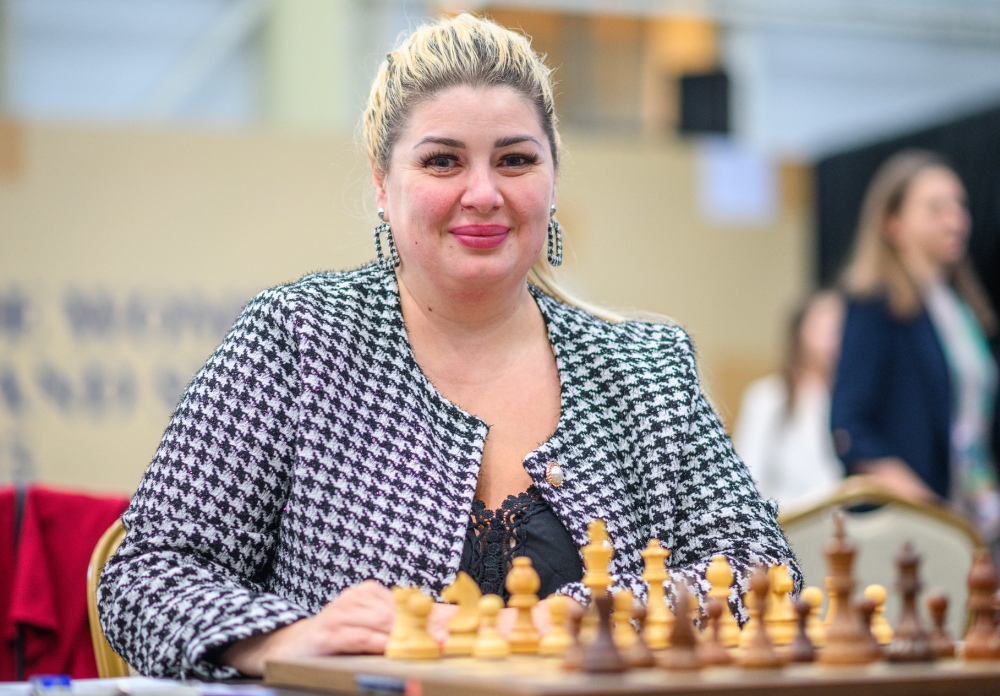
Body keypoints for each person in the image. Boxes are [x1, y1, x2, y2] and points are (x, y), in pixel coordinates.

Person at [97, 13, 799, 680]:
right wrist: (285, 638)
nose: (484, 193)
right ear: (382, 183)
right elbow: (144, 574)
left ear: (553, 179)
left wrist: (593, 616)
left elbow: (765, 572)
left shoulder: (648, 368)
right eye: (442, 162)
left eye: (515, 160)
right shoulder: (296, 340)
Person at [830, 149, 1000, 541]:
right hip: (916, 529)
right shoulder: (874, 305)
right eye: (936, 209)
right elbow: (850, 426)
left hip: (974, 514)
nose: (956, 220)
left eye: (960, 206)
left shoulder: (961, 308)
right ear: (893, 223)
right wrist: (929, 511)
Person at [733, 290, 845, 510]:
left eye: (840, 326)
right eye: (824, 325)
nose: (834, 335)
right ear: (800, 331)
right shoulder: (767, 398)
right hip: (787, 520)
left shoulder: (850, 402)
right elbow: (748, 478)